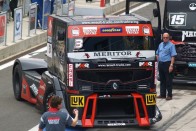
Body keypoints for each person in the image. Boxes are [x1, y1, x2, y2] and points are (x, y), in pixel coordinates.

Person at [156, 33, 177, 100]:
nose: (165, 38)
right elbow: (157, 53)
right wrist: (158, 60)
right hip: (161, 64)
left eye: (166, 37)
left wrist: (171, 65)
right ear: (162, 38)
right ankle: (162, 94)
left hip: (167, 64)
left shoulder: (171, 45)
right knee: (162, 80)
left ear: (169, 38)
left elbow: (173, 56)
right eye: (164, 37)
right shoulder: (160, 44)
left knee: (168, 80)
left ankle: (169, 95)